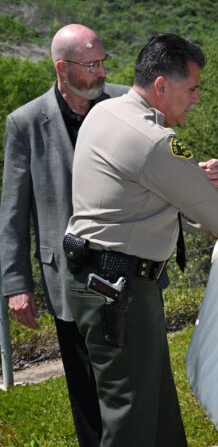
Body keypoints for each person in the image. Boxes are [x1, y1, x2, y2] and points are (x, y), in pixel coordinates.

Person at [63, 33, 218, 446]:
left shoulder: (104, 113)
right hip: (120, 290)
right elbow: (208, 204)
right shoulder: (154, 141)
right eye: (193, 88)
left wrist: (187, 185)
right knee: (130, 418)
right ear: (162, 86)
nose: (197, 98)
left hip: (101, 281)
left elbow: (140, 199)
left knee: (158, 411)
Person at [0, 24, 129, 446]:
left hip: (131, 266)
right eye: (90, 65)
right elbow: (14, 212)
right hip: (67, 279)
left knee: (138, 379)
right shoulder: (24, 123)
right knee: (86, 387)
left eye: (102, 61)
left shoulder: (127, 102)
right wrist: (18, 284)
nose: (100, 73)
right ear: (62, 67)